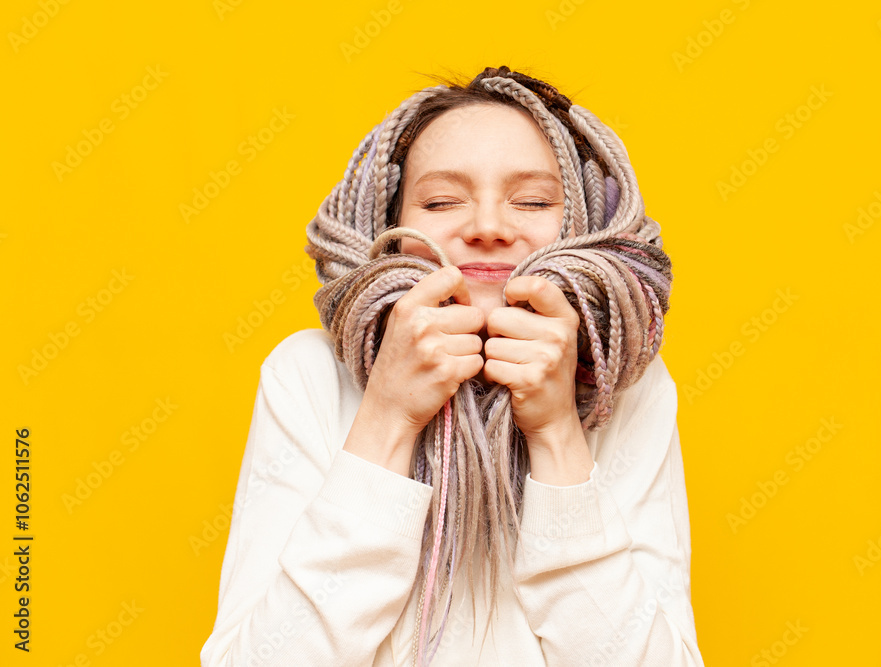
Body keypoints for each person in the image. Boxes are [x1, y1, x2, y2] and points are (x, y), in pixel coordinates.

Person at [201, 65, 705, 666]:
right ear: (388, 225)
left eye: (535, 200)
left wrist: (556, 432)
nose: (489, 228)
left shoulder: (629, 390)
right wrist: (387, 415)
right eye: (442, 200)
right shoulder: (307, 374)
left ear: (579, 224)